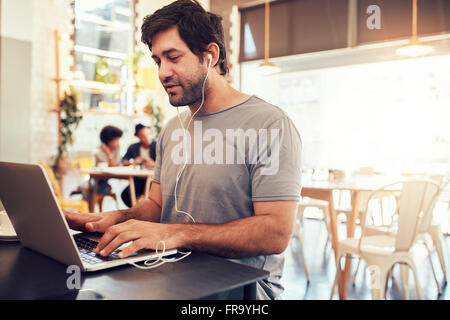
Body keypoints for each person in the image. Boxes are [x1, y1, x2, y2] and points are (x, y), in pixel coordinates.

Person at [64, 0, 302, 300]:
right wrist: (115, 219)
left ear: (210, 55)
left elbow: (276, 232)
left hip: (242, 287)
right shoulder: (172, 129)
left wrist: (175, 233)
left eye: (173, 57)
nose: (162, 72)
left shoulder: (269, 124)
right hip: (168, 271)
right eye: (157, 60)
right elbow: (155, 206)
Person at [120, 123, 157, 207]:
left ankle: (143, 213)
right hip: (138, 180)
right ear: (138, 137)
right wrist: (134, 162)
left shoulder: (158, 145)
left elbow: (167, 164)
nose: (147, 138)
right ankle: (136, 212)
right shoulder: (133, 147)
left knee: (152, 197)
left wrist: (154, 165)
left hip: (154, 181)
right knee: (125, 195)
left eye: (148, 134)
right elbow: (123, 161)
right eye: (143, 136)